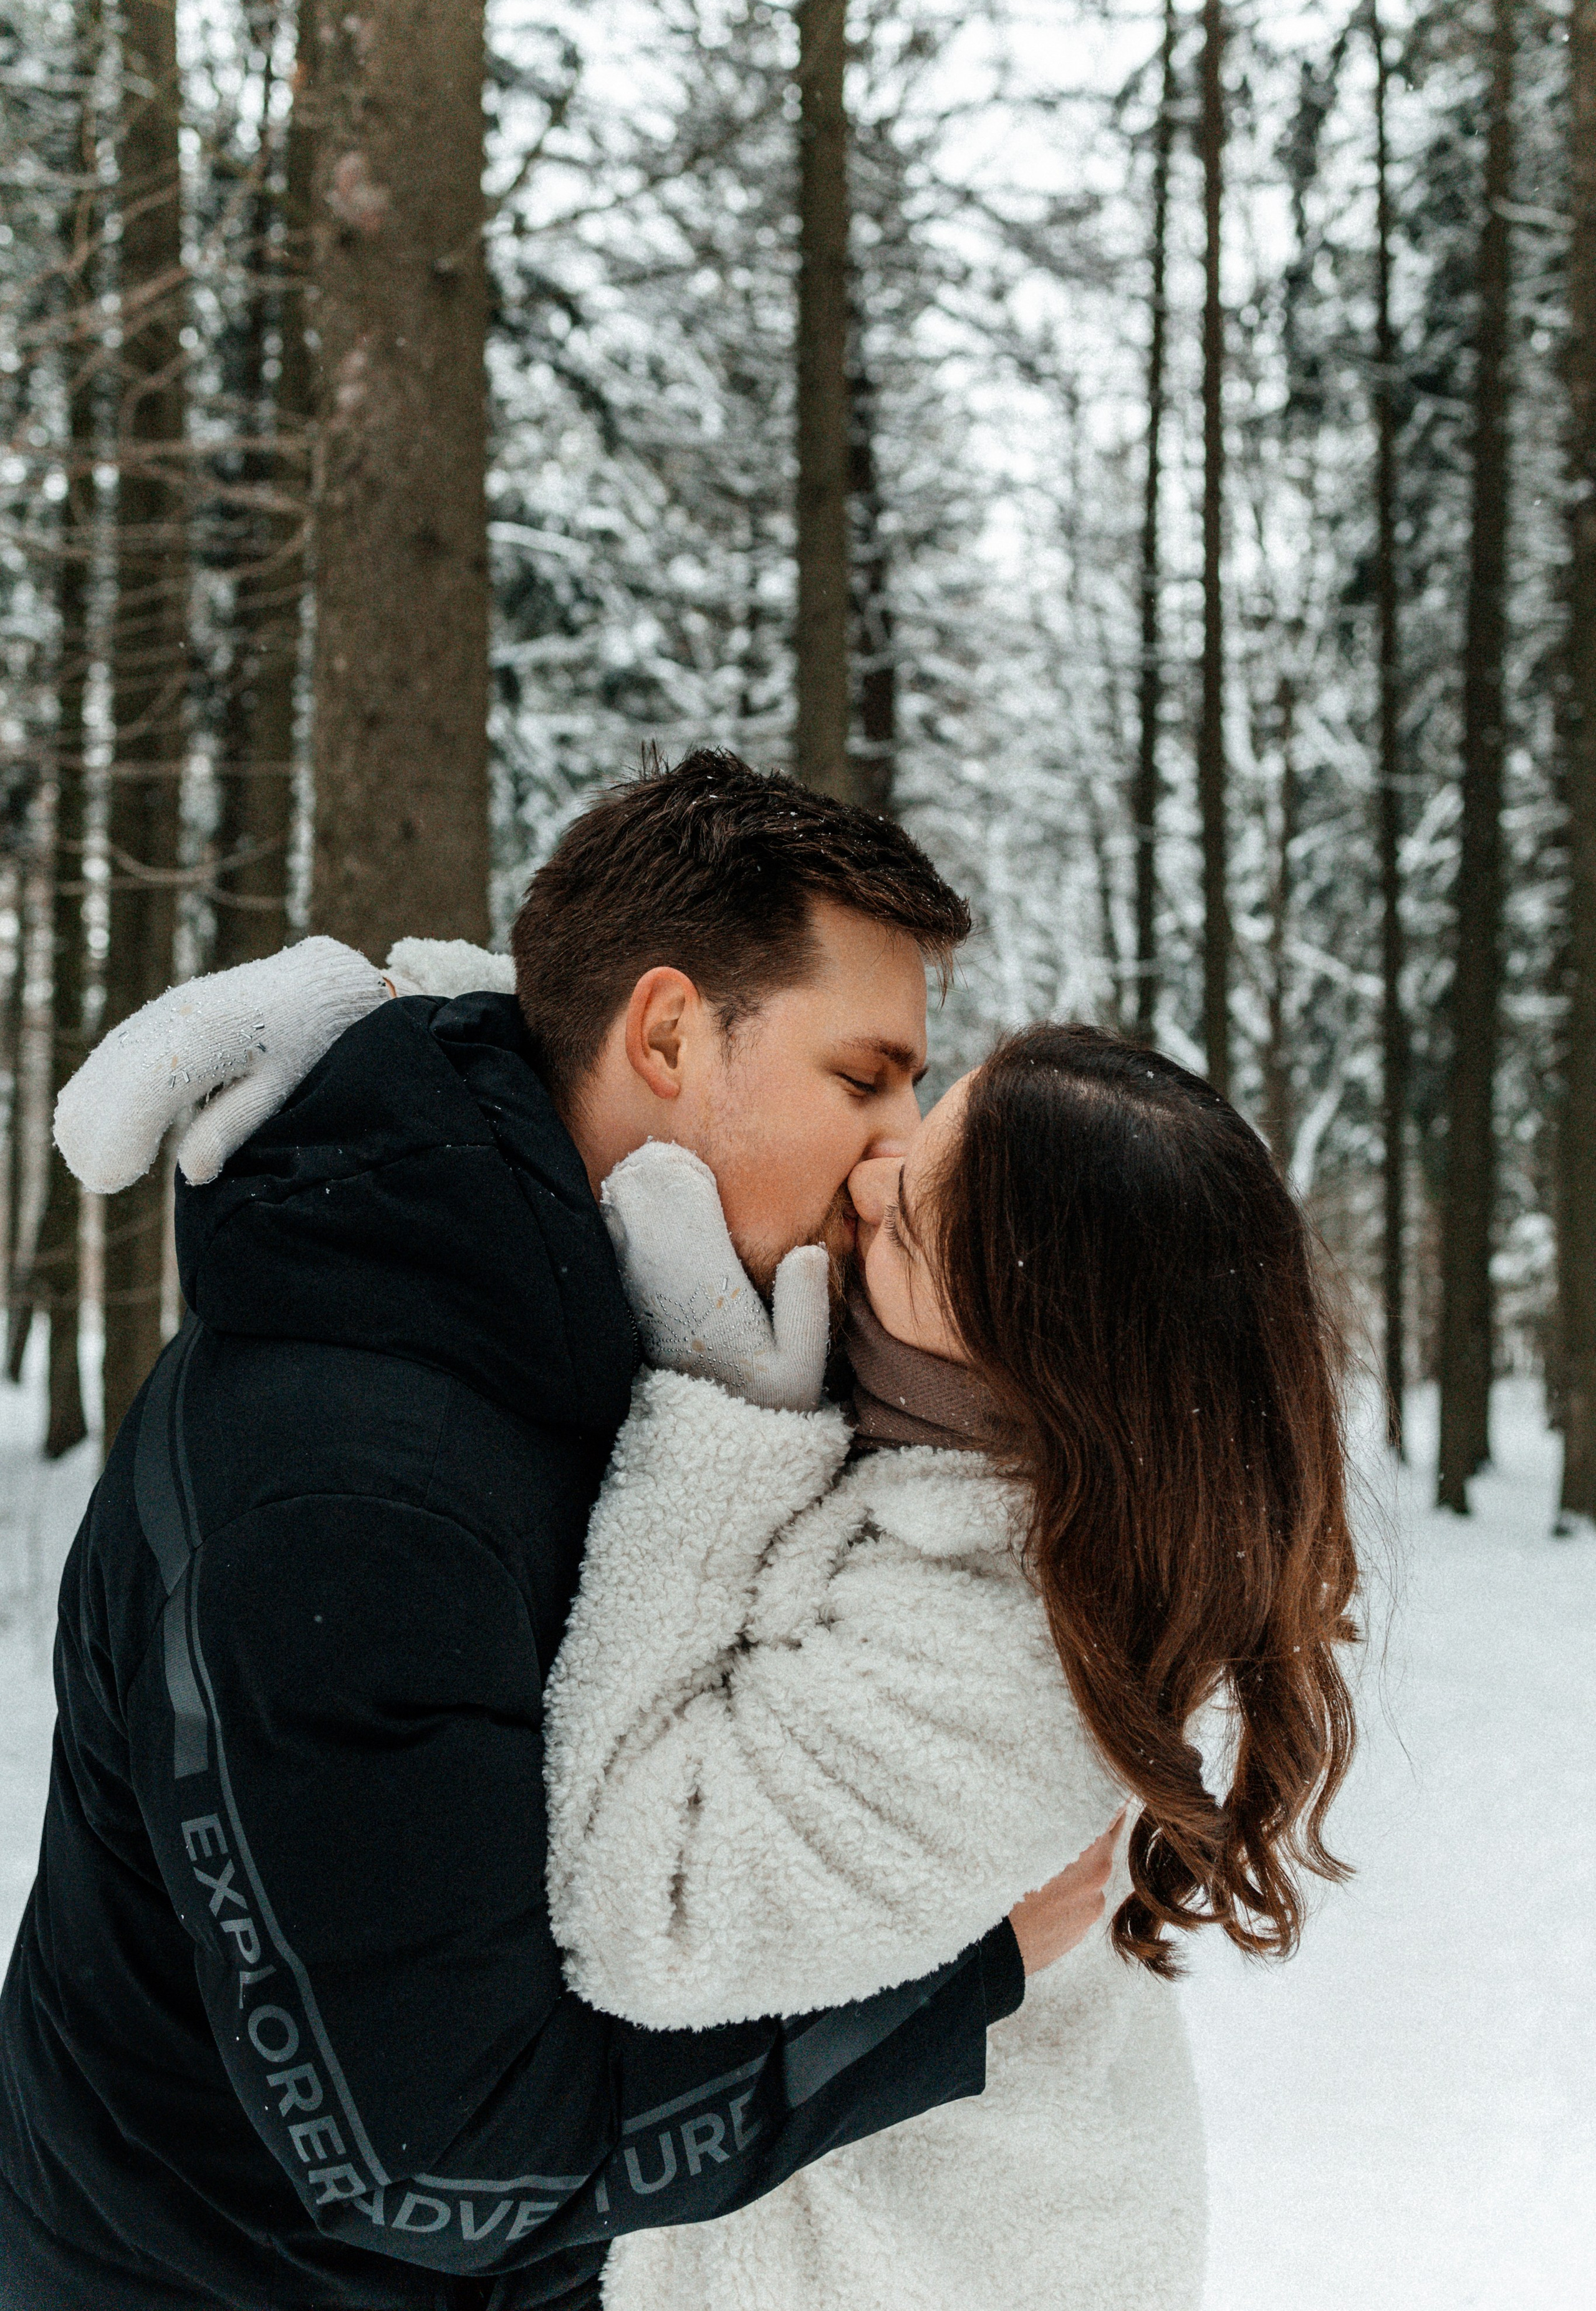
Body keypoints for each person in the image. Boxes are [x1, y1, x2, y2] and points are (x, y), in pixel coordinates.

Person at [0, 754, 1113, 2311]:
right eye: (863, 1077)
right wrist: (951, 1986)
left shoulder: (623, 1295)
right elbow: (438, 2159)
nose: (894, 1148)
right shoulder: (343, 1490)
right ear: (664, 1035)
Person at [529, 1026, 1360, 2310]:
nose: (869, 1181)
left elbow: (646, 1912)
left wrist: (718, 1421)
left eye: (913, 1224)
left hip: (925, 2269)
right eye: (920, 1135)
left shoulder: (1006, 1659)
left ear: (1035, 1354)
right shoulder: (988, 1468)